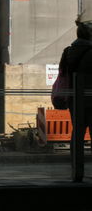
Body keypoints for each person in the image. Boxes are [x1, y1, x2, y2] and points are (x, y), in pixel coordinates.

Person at [58, 11, 92, 181]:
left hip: (74, 99)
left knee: (77, 134)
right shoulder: (91, 51)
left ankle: (76, 171)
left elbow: (63, 74)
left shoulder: (68, 51)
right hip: (91, 98)